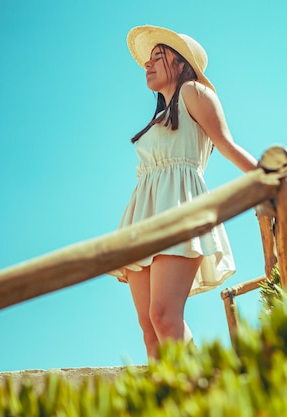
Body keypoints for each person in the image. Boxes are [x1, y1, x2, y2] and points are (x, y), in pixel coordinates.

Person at [109, 25, 258, 360]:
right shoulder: (159, 116)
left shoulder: (194, 91)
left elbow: (227, 144)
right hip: (144, 212)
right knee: (149, 328)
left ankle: (201, 392)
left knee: (164, 316)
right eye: (147, 60)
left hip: (180, 205)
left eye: (157, 57)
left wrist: (269, 176)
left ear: (179, 62)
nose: (147, 65)